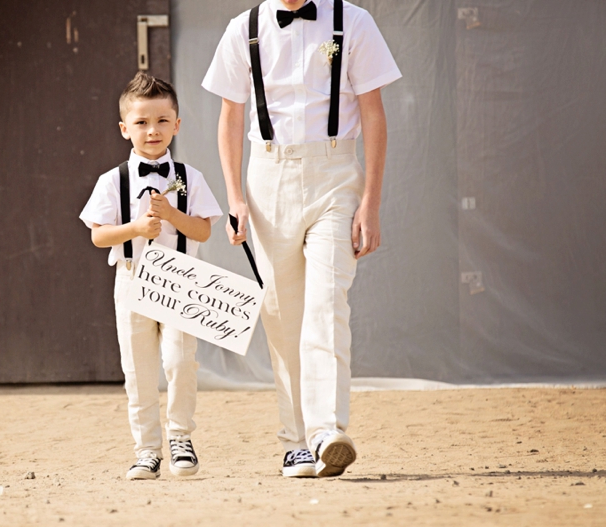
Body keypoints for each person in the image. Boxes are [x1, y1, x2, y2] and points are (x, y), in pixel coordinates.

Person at [202, 0, 401, 477]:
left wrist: (370, 202)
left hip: (335, 174)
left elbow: (373, 113)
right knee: (281, 314)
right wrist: (235, 198)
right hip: (268, 176)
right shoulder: (243, 29)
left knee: (327, 302)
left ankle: (327, 430)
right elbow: (231, 117)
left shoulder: (354, 22)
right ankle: (295, 442)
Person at [80, 72, 223, 480]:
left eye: (162, 121)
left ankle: (181, 438)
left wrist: (172, 215)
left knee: (181, 361)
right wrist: (135, 230)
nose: (152, 131)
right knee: (138, 370)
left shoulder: (190, 177)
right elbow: (97, 235)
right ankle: (146, 450)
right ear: (125, 129)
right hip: (131, 279)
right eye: (141, 122)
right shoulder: (114, 181)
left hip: (180, 281)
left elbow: (204, 230)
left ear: (177, 124)